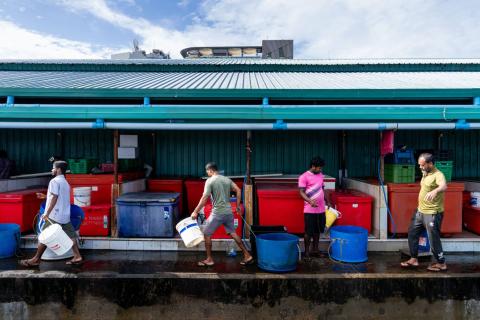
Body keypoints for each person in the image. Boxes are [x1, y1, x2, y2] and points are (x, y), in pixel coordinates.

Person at [20, 161, 83, 267]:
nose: (52, 170)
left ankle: (36, 259)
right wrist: (45, 197)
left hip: (54, 215)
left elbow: (54, 197)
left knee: (45, 235)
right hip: (65, 216)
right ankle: (77, 256)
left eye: (53, 168)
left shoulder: (54, 181)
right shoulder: (65, 183)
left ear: (58, 169)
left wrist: (47, 213)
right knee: (71, 235)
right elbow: (59, 197)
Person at [191, 162, 253, 267]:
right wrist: (237, 206)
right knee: (233, 233)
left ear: (210, 170)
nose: (207, 173)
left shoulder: (210, 181)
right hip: (229, 212)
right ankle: (247, 255)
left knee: (206, 234)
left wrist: (195, 211)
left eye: (207, 171)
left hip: (217, 213)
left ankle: (209, 259)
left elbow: (204, 198)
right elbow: (238, 190)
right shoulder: (226, 179)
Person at [401, 153, 448, 272]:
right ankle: (414, 259)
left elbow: (444, 186)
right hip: (420, 211)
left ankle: (441, 263)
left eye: (422, 165)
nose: (420, 167)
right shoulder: (425, 173)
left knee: (433, 238)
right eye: (419, 165)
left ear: (430, 164)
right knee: (412, 233)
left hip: (432, 213)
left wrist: (436, 191)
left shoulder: (438, 174)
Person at [299, 156, 326, 259]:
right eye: (319, 168)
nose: (320, 170)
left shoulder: (320, 175)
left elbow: (323, 189)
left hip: (321, 208)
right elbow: (301, 192)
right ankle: (306, 253)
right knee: (309, 231)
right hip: (309, 209)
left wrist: (327, 202)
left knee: (318, 230)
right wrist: (310, 201)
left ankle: (315, 250)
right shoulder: (304, 177)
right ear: (313, 166)